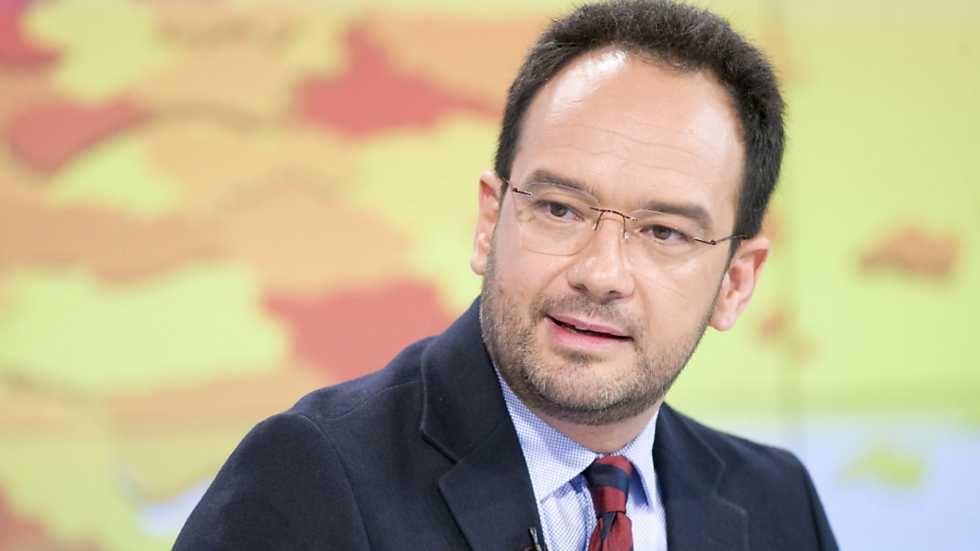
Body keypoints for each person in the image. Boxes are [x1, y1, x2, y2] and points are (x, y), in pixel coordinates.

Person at [174, 1, 838, 549]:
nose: (601, 273)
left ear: (735, 282)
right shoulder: (313, 475)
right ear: (490, 222)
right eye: (560, 209)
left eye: (664, 232)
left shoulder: (778, 503)